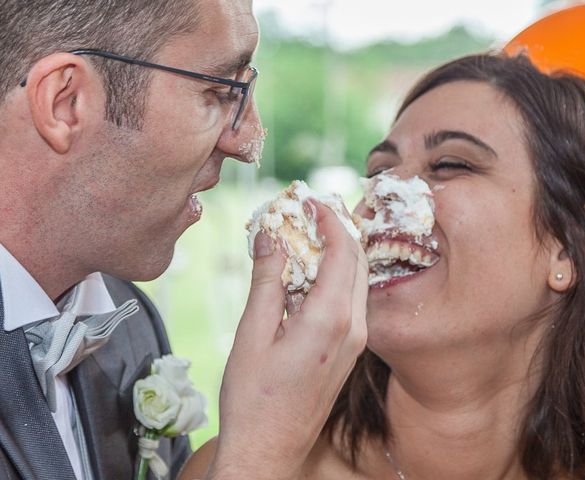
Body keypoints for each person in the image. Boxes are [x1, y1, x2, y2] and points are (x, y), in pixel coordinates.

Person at [184, 52, 585, 479]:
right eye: (379, 170)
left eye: (448, 164)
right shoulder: (239, 463)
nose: (383, 192)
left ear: (568, 245)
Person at [0, 1, 368, 479]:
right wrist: (259, 452)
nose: (249, 139)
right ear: (65, 102)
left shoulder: (131, 325)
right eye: (219, 91)